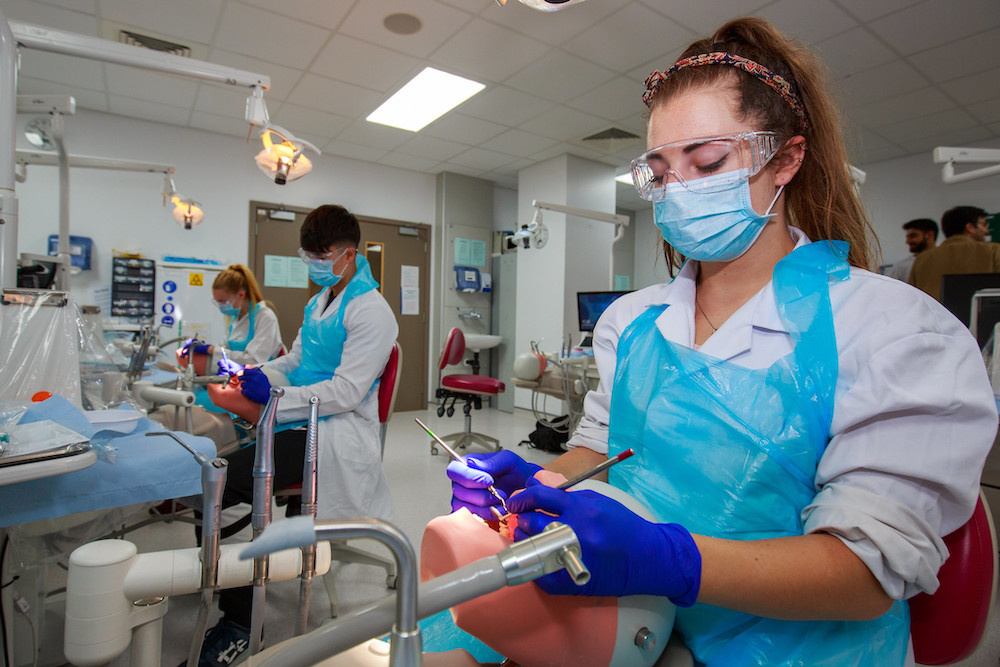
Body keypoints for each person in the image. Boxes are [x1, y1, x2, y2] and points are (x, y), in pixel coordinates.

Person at [448, 17, 996, 666]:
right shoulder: (634, 322)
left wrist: (670, 557)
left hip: (789, 647)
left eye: (707, 161)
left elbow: (865, 572)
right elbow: (604, 447)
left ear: (786, 159)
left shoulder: (894, 332)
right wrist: (532, 480)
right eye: (659, 168)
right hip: (632, 626)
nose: (677, 188)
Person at [192, 205, 398, 666]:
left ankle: (243, 626)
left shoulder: (373, 312)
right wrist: (256, 374)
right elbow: (294, 359)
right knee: (209, 483)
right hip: (298, 415)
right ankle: (215, 579)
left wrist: (276, 397)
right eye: (309, 255)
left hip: (333, 429)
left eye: (322, 256)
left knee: (226, 483)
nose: (314, 264)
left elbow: (345, 392)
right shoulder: (318, 302)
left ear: (350, 254)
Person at [178, 264, 284, 373]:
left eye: (223, 302)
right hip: (240, 377)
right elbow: (224, 349)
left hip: (265, 379)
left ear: (241, 295)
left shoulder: (265, 317)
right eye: (217, 302)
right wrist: (205, 350)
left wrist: (211, 350)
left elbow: (254, 360)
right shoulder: (236, 319)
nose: (220, 306)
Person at [910, 206, 1000, 301]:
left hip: (935, 315)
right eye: (983, 225)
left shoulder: (921, 259)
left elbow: (912, 298)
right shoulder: (993, 251)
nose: (986, 231)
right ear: (969, 227)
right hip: (979, 314)